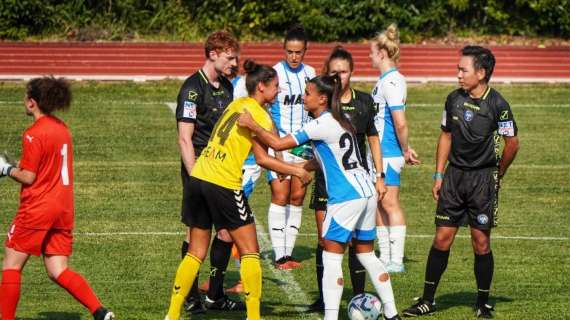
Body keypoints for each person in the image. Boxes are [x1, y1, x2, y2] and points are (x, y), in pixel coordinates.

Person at [238, 74, 402, 320]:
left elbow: (279, 143)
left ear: (322, 98)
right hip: (366, 192)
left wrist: (252, 125)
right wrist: (302, 169)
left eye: (307, 93)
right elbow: (327, 159)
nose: (303, 98)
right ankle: (392, 314)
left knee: (331, 257)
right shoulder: (342, 120)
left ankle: (330, 317)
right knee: (367, 255)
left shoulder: (320, 124)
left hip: (345, 197)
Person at [164, 59, 312, 320]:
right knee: (251, 251)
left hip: (198, 177)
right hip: (223, 183)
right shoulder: (259, 116)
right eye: (276, 86)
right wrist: (298, 170)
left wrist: (279, 163)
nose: (279, 92)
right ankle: (254, 317)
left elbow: (265, 151)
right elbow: (265, 158)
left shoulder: (236, 104)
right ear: (262, 88)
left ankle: (172, 314)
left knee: (196, 252)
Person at [402, 46, 519, 318]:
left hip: (482, 181)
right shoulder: (453, 99)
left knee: (481, 242)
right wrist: (439, 174)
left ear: (481, 73)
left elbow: (512, 142)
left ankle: (482, 303)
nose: (457, 75)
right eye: (458, 69)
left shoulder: (498, 105)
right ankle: (428, 300)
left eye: (462, 70)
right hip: (454, 178)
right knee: (442, 238)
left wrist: (498, 173)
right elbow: (446, 135)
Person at [0, 77, 114, 320]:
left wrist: (6, 170)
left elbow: (29, 178)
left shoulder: (33, 133)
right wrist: (19, 165)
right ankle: (100, 311)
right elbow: (48, 165)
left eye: (25, 97)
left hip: (37, 208)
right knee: (57, 269)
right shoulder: (61, 128)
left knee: (11, 264)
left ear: (32, 103)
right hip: (62, 209)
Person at [307, 46, 386, 312]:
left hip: (354, 184)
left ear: (351, 72)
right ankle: (323, 298)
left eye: (343, 71)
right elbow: (311, 143)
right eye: (333, 72)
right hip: (326, 181)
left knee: (359, 246)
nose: (338, 76)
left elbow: (373, 138)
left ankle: (359, 297)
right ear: (326, 74)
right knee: (325, 241)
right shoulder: (322, 103)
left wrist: (380, 175)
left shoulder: (364, 102)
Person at [174, 31, 245, 313]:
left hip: (222, 171)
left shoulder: (227, 88)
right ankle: (190, 296)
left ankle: (215, 296)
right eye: (230, 58)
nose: (234, 63)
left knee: (227, 232)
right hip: (200, 172)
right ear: (213, 54)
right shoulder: (192, 89)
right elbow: (184, 138)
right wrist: (194, 179)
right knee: (196, 234)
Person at [369, 23, 420, 273]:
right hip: (379, 153)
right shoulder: (384, 80)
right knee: (379, 203)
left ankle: (396, 260)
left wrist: (405, 149)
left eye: (371, 52)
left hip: (388, 153)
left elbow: (399, 122)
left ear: (381, 53)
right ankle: (386, 255)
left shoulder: (392, 82)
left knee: (390, 204)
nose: (369, 56)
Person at [267, 25, 316, 269]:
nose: (294, 57)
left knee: (297, 197)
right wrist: (276, 149)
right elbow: (266, 112)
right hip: (279, 144)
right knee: (280, 194)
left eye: (298, 52)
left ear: (305, 50)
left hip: (303, 146)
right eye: (289, 52)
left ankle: (288, 253)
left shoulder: (311, 73)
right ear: (284, 50)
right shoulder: (274, 74)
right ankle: (279, 256)